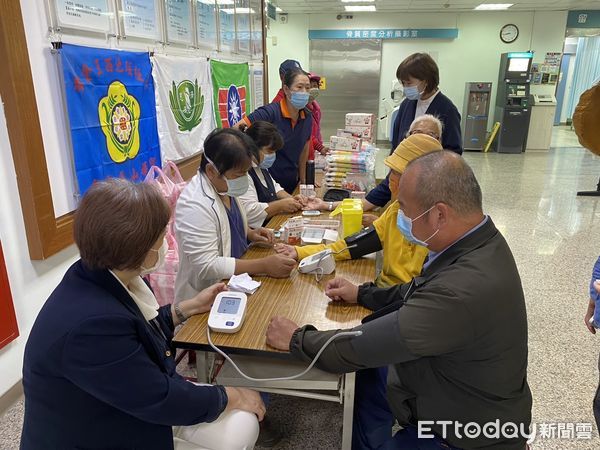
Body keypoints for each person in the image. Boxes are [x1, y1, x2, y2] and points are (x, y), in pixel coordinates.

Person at [266, 151, 532, 449]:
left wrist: (296, 339)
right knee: (367, 383)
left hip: (463, 434)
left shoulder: (461, 290)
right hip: (447, 386)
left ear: (439, 214)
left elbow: (362, 345)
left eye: (405, 209)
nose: (399, 216)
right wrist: (362, 293)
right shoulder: (477, 242)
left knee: (360, 364)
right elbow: (413, 291)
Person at [21, 178, 264, 450]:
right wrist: (232, 396)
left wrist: (186, 308)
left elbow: (136, 333)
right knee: (242, 422)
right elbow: (160, 398)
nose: (167, 243)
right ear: (139, 248)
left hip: (117, 406)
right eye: (162, 236)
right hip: (93, 434)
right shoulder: (91, 328)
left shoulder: (102, 273)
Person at [275, 133, 442, 288]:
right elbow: (350, 246)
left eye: (399, 173)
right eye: (392, 172)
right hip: (381, 294)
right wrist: (299, 252)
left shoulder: (439, 232)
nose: (391, 179)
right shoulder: (395, 211)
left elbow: (416, 294)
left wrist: (361, 294)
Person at [174, 128, 295, 302]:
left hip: (239, 279)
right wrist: (264, 265)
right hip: (206, 297)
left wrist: (250, 232)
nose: (244, 179)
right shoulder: (194, 205)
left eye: (246, 172)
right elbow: (207, 266)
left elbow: (229, 221)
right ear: (211, 171)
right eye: (239, 174)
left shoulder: (225, 185)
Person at [303, 114, 443, 227]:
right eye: (417, 133)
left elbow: (427, 232)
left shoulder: (443, 184)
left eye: (430, 135)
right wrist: (326, 205)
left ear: (439, 141)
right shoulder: (396, 177)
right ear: (407, 136)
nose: (422, 139)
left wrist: (381, 224)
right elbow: (368, 202)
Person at [364, 52, 462, 211]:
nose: (405, 88)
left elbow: (453, 155)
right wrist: (370, 201)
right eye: (403, 83)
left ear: (426, 81)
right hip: (402, 183)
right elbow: (397, 149)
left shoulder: (447, 110)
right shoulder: (407, 105)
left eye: (408, 83)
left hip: (429, 189)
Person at [238, 69, 312, 194]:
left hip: (291, 182)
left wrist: (304, 180)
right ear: (286, 89)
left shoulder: (307, 116)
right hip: (266, 184)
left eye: (307, 88)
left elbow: (305, 148)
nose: (304, 92)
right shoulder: (269, 113)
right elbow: (237, 130)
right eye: (299, 87)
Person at [238, 121, 305, 228]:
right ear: (253, 148)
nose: (272, 155)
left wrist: (292, 199)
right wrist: (280, 205)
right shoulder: (243, 172)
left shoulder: (261, 166)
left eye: (274, 152)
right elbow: (249, 212)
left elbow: (274, 187)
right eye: (269, 151)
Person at [307, 72, 327, 157]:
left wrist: (320, 146)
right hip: (306, 150)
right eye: (309, 87)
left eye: (315, 86)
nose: (313, 89)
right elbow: (307, 134)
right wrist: (320, 147)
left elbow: (317, 131)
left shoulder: (316, 108)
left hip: (315, 150)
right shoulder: (301, 109)